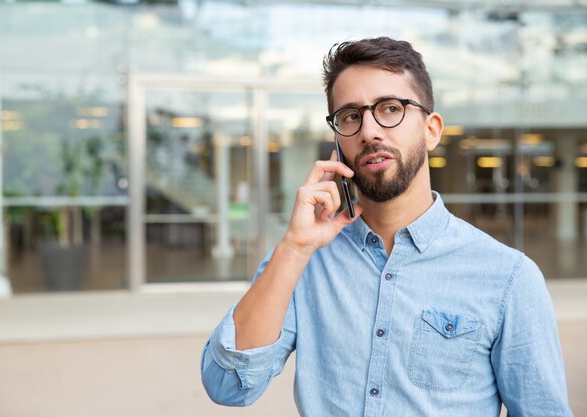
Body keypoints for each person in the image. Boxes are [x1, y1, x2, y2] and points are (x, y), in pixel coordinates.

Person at [200, 37, 574, 417]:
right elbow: (227, 385)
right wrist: (295, 248)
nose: (369, 131)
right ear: (337, 140)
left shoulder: (508, 277)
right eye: (350, 116)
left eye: (390, 108)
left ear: (432, 130)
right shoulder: (305, 258)